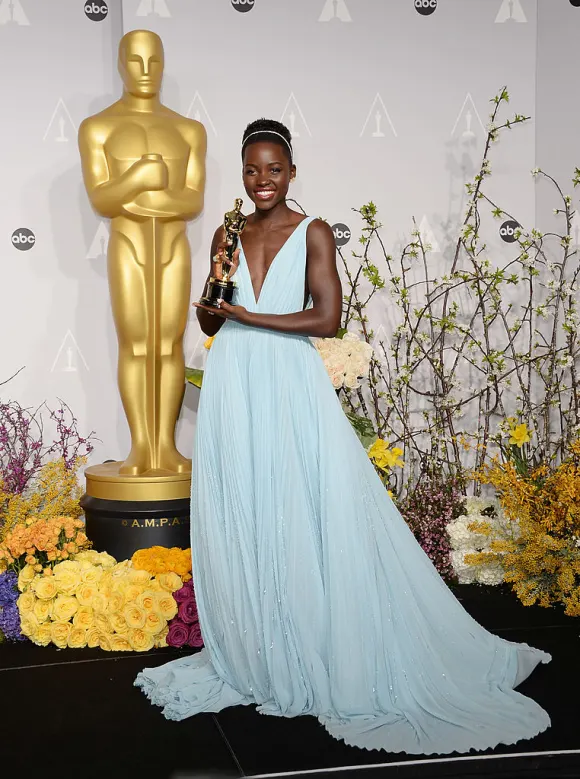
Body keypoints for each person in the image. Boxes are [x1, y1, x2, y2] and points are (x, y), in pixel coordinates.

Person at [135, 119, 551, 755]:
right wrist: (214, 309)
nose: (262, 181)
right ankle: (261, 653)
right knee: (246, 508)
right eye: (251, 170)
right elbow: (214, 322)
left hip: (289, 379)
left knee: (304, 504)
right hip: (234, 383)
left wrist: (246, 314)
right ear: (241, 174)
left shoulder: (314, 232)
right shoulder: (227, 231)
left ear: (292, 172)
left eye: (273, 169)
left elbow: (327, 319)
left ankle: (319, 644)